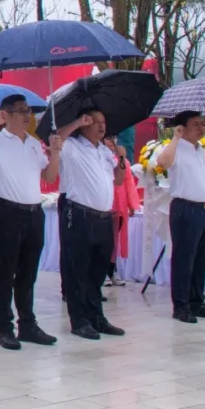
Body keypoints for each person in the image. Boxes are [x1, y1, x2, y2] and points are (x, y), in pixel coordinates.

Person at [0, 96, 61, 350]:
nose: (26, 116)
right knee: (6, 272)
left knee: (28, 273)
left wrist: (55, 152)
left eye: (28, 110)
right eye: (20, 111)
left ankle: (28, 324)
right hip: (8, 211)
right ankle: (4, 327)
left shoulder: (33, 144)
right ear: (7, 115)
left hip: (34, 212)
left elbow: (50, 176)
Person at [56, 111, 126, 340]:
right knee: (78, 270)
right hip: (79, 214)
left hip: (103, 216)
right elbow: (56, 139)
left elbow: (117, 180)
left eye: (104, 122)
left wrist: (122, 159)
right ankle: (79, 320)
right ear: (85, 124)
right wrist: (76, 122)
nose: (101, 126)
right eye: (95, 122)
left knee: (97, 270)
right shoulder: (73, 146)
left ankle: (97, 316)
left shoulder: (105, 151)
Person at [155, 111, 205, 323]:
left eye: (202, 123)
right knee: (184, 258)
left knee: (201, 258)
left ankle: (196, 301)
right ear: (183, 127)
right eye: (196, 124)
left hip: (204, 208)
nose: (201, 127)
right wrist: (176, 137)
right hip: (186, 209)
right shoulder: (175, 148)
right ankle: (181, 305)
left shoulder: (200, 150)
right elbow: (162, 163)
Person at [105, 136, 138, 288]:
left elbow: (129, 183)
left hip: (119, 204)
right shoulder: (101, 158)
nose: (111, 144)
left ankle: (111, 271)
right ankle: (103, 272)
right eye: (108, 140)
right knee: (103, 239)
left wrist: (132, 205)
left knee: (114, 240)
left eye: (113, 140)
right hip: (105, 203)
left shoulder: (123, 161)